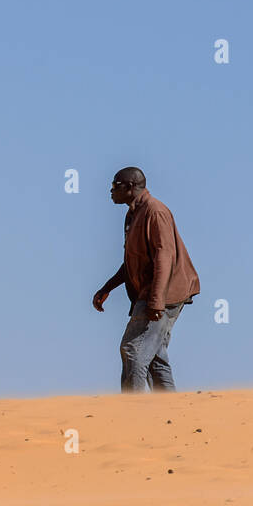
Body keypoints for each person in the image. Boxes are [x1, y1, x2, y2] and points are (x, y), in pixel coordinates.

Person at [92, 167, 199, 392]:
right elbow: (134, 260)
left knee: (133, 349)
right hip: (152, 293)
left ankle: (135, 413)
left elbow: (164, 257)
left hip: (164, 293)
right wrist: (107, 287)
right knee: (154, 358)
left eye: (115, 186)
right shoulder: (134, 214)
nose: (111, 191)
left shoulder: (155, 211)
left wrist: (156, 301)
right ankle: (172, 413)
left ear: (130, 187)